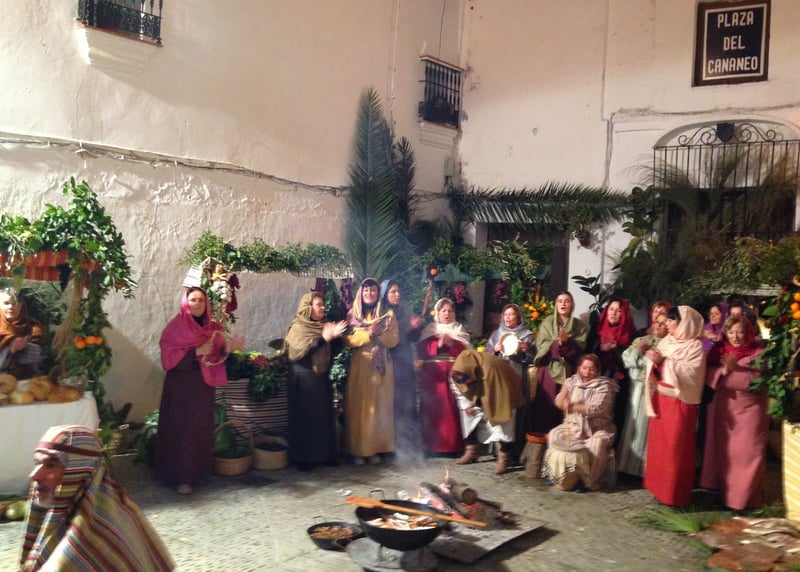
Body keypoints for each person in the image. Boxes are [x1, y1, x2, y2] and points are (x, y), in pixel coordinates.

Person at [20, 425, 174, 571]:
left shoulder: (90, 538)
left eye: (50, 466)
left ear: (78, 471)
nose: (34, 476)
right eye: (37, 463)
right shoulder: (73, 512)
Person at [155, 286, 236, 495]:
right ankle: (181, 477)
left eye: (201, 300)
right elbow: (168, 355)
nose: (197, 304)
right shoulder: (176, 327)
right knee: (182, 429)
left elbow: (217, 353)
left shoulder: (211, 327)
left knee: (199, 427)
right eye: (193, 300)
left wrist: (230, 348)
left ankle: (197, 472)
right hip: (181, 387)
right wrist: (196, 351)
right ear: (186, 302)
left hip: (202, 386)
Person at [700, 315, 769, 510]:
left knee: (748, 453)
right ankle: (726, 497)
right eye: (731, 332)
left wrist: (734, 369)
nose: (735, 336)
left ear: (748, 332)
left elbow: (758, 381)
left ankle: (744, 501)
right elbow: (708, 372)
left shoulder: (759, 352)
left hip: (751, 409)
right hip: (726, 409)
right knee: (728, 455)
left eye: (740, 332)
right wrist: (722, 371)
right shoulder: (719, 350)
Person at [643, 305, 707, 507]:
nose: (668, 324)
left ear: (684, 324)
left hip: (680, 403)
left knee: (675, 449)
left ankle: (673, 495)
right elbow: (656, 365)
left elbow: (691, 374)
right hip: (661, 400)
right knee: (659, 448)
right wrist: (654, 361)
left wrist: (663, 362)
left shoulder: (695, 347)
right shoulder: (667, 341)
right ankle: (658, 489)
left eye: (672, 320)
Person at [284, 291, 348, 471]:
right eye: (318, 304)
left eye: (322, 304)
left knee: (323, 418)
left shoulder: (324, 325)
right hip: (302, 378)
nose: (323, 307)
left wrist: (336, 338)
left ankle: (325, 455)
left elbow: (331, 350)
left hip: (320, 377)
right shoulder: (298, 327)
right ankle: (304, 459)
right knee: (305, 419)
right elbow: (299, 353)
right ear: (307, 308)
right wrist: (324, 338)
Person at [541, 354, 618, 491]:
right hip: (573, 425)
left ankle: (587, 481)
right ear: (579, 368)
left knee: (596, 444)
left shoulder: (604, 386)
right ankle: (558, 476)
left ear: (598, 371)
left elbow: (596, 408)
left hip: (596, 429)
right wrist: (564, 397)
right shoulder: (571, 382)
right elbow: (558, 402)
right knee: (555, 434)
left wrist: (572, 406)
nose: (587, 372)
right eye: (584, 368)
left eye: (591, 369)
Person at [343, 277, 399, 465]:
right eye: (366, 290)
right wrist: (369, 334)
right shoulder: (353, 315)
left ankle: (376, 449)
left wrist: (379, 336)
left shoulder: (388, 314)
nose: (369, 293)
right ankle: (359, 451)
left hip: (382, 365)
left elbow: (394, 339)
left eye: (373, 290)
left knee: (381, 407)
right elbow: (348, 340)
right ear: (361, 293)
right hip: (361, 365)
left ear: (378, 294)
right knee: (361, 407)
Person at [449, 349, 524, 474]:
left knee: (503, 422)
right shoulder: (457, 372)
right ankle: (472, 450)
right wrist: (467, 405)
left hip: (501, 393)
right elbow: (458, 389)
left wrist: (486, 406)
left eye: (468, 381)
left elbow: (499, 393)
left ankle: (504, 458)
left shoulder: (491, 369)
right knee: (468, 417)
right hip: (478, 394)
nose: (467, 384)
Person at [617, 306, 669, 477]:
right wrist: (639, 350)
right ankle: (627, 467)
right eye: (657, 322)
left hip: (655, 390)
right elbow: (627, 360)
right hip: (637, 388)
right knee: (633, 427)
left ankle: (645, 470)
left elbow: (658, 365)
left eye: (663, 323)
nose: (659, 325)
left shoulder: (669, 344)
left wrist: (644, 360)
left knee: (648, 429)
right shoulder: (642, 339)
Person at [417, 298, 472, 455]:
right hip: (433, 374)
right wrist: (438, 344)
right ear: (438, 313)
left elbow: (466, 351)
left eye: (450, 311)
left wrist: (452, 344)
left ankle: (452, 447)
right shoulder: (430, 329)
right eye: (444, 311)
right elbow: (422, 350)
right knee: (432, 408)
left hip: (454, 371)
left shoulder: (459, 329)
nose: (447, 314)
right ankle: (429, 446)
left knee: (452, 408)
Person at [531, 291, 588, 434]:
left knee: (565, 406)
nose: (563, 304)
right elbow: (541, 345)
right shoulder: (547, 323)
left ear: (572, 305)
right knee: (547, 406)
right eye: (560, 301)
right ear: (556, 304)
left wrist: (567, 343)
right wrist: (557, 344)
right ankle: (544, 438)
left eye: (567, 301)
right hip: (549, 370)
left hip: (569, 371)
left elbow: (581, 349)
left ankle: (562, 438)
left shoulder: (579, 326)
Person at [380, 279, 424, 458]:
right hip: (389, 360)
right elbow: (388, 337)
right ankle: (392, 444)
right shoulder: (382, 312)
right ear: (385, 295)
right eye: (393, 292)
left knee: (408, 400)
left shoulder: (405, 310)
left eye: (398, 291)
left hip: (405, 359)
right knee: (393, 402)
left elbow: (412, 338)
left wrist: (416, 327)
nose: (397, 295)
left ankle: (408, 443)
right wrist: (407, 327)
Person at [486, 303, 536, 455]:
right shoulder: (496, 335)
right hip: (499, 376)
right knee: (499, 407)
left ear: (518, 317)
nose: (507, 317)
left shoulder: (527, 335)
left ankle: (514, 450)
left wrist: (527, 350)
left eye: (511, 314)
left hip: (517, 375)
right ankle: (499, 450)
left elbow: (535, 358)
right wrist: (494, 350)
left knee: (516, 410)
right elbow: (487, 357)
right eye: (505, 314)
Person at [587, 298, 636, 443]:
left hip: (617, 381)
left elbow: (629, 361)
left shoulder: (630, 332)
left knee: (613, 414)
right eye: (611, 309)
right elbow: (587, 353)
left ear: (624, 314)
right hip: (595, 379)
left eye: (618, 311)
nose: (613, 313)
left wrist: (615, 349)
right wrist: (600, 349)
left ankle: (608, 445)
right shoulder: (597, 329)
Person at [0, 287, 45, 379]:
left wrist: (25, 347)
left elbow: (37, 359)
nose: (11, 307)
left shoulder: (32, 327)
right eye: (6, 303)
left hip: (25, 381)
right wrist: (10, 349)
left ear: (21, 305)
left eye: (15, 303)